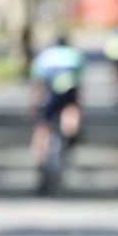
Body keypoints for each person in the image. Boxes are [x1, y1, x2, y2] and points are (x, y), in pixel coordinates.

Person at [29, 35, 86, 170]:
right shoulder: (75, 55)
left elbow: (37, 83)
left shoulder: (45, 56)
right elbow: (79, 83)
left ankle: (39, 159)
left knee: (43, 126)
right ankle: (71, 141)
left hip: (50, 93)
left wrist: (32, 104)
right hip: (69, 90)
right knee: (71, 112)